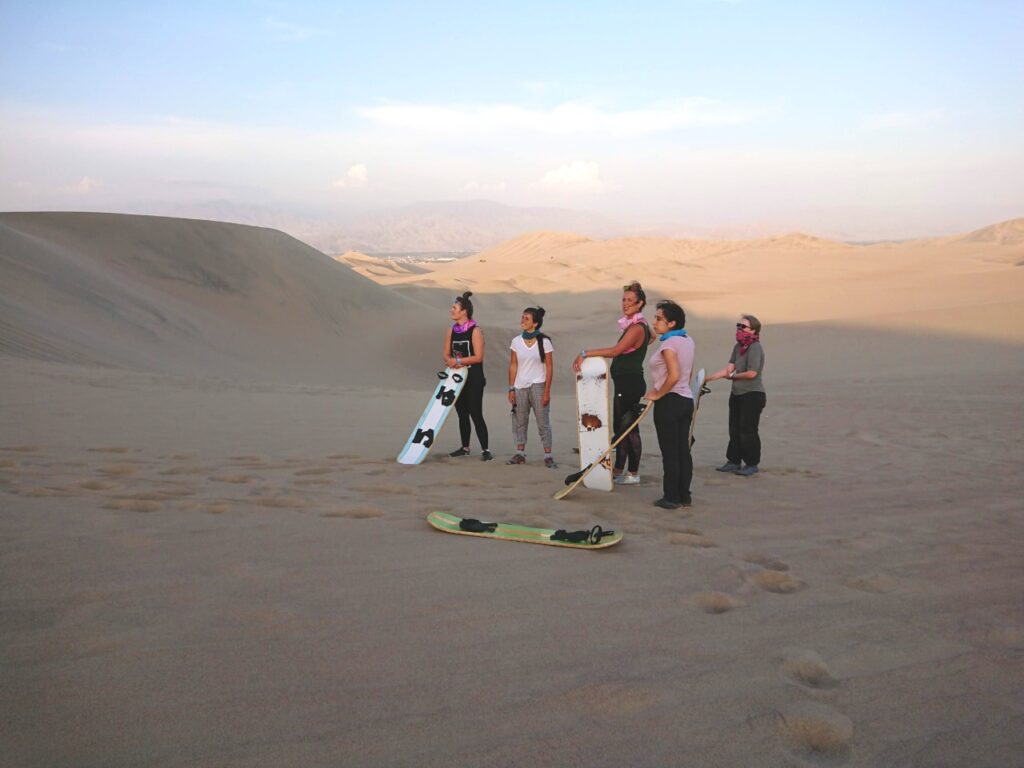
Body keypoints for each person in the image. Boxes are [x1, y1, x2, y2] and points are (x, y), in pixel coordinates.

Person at [572, 281, 652, 485]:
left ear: (640, 303)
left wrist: (585, 353)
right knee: (622, 429)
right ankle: (618, 469)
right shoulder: (636, 326)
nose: (625, 304)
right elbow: (650, 339)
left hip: (630, 384)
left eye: (630, 301)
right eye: (624, 300)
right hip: (624, 383)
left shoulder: (637, 328)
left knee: (630, 430)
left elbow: (615, 351)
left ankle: (632, 473)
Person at [644, 301, 695, 509]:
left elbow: (674, 375)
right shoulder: (687, 340)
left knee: (670, 452)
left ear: (672, 323)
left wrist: (658, 393)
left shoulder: (669, 344)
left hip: (670, 401)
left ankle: (671, 496)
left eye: (659, 319)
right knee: (682, 449)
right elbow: (687, 373)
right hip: (685, 399)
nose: (654, 322)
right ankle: (684, 495)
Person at [706, 314, 766, 476]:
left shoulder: (755, 347)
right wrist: (708, 379)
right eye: (738, 326)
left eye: (743, 327)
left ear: (753, 331)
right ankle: (733, 461)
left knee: (748, 430)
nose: (739, 330)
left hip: (752, 395)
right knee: (734, 429)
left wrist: (733, 377)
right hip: (737, 394)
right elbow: (729, 370)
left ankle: (752, 463)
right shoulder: (737, 347)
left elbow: (752, 373)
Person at [445, 291, 492, 461]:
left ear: (464, 311)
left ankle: (485, 450)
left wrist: (457, 361)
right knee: (461, 413)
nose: (451, 310)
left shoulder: (475, 330)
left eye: (454, 307)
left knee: (475, 412)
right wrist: (450, 361)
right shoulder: (451, 330)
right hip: (457, 378)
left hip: (474, 377)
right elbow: (445, 354)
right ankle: (465, 447)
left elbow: (478, 357)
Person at [506, 307, 556, 468]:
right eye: (522, 317)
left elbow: (549, 367)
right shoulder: (516, 341)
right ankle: (520, 453)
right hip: (520, 386)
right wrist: (511, 388)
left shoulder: (545, 342)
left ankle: (548, 455)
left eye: (526, 318)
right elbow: (513, 365)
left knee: (543, 421)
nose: (522, 321)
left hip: (538, 385)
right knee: (520, 420)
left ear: (535, 323)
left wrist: (547, 391)